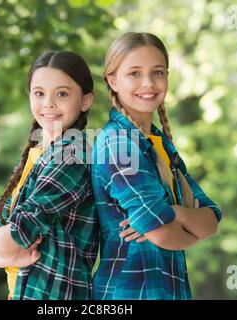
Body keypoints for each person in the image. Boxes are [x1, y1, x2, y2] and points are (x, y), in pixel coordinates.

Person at [91, 32, 222, 300]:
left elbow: (210, 220)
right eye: (134, 73)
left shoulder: (162, 145)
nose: (148, 83)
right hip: (128, 293)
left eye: (158, 72)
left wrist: (175, 213)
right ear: (113, 80)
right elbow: (160, 233)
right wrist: (186, 228)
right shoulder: (118, 143)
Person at [0, 51, 99, 300]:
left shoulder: (72, 153)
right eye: (39, 93)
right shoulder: (35, 154)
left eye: (62, 93)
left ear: (86, 100)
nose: (49, 103)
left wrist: (0, 247)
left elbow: (20, 230)